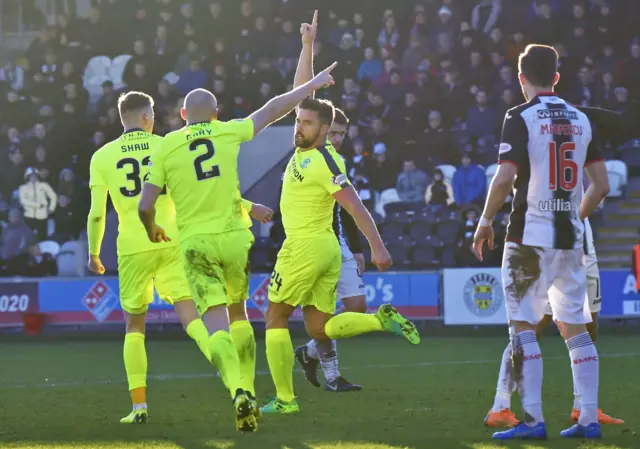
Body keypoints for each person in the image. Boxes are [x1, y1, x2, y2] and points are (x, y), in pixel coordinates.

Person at [138, 64, 339, 431]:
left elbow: (145, 205)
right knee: (240, 314)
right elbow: (273, 108)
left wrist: (152, 230)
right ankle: (248, 386)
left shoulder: (166, 146)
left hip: (197, 244)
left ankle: (238, 391)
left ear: (182, 115)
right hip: (234, 239)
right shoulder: (228, 131)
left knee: (214, 324)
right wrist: (311, 85)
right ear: (215, 114)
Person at [259, 11, 420, 416]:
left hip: (305, 248)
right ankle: (379, 322)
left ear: (325, 129)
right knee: (319, 327)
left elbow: (355, 204)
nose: (299, 125)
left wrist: (378, 248)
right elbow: (301, 95)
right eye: (300, 119)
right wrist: (308, 46)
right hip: (326, 251)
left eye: (307, 122)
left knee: (274, 317)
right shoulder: (307, 146)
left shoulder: (324, 161)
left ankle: (285, 399)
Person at [87, 91, 273, 427]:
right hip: (174, 239)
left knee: (134, 326)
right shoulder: (167, 144)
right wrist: (247, 206)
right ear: (147, 117)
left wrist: (93, 253)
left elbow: (97, 215)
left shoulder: (102, 157)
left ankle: (139, 408)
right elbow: (204, 188)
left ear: (123, 118)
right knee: (194, 320)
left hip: (133, 245)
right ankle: (235, 383)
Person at [472, 44, 610, 440]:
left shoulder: (520, 116)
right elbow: (601, 185)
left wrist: (484, 221)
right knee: (577, 330)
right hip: (571, 240)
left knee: (523, 329)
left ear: (521, 79)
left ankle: (532, 420)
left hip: (528, 238)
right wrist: (573, 217)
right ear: (556, 77)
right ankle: (587, 419)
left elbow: (503, 179)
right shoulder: (582, 119)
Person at [485, 217, 624, 429]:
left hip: (584, 251)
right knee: (531, 330)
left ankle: (583, 406)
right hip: (555, 248)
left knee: (589, 328)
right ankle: (499, 405)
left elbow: (598, 188)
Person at [19, 167, 57, 240]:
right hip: (28, 217)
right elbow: (23, 201)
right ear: (27, 178)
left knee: (42, 237)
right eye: (31, 176)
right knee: (28, 237)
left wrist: (51, 209)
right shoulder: (23, 188)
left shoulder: (45, 186)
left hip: (42, 217)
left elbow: (53, 197)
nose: (33, 178)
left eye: (35, 176)